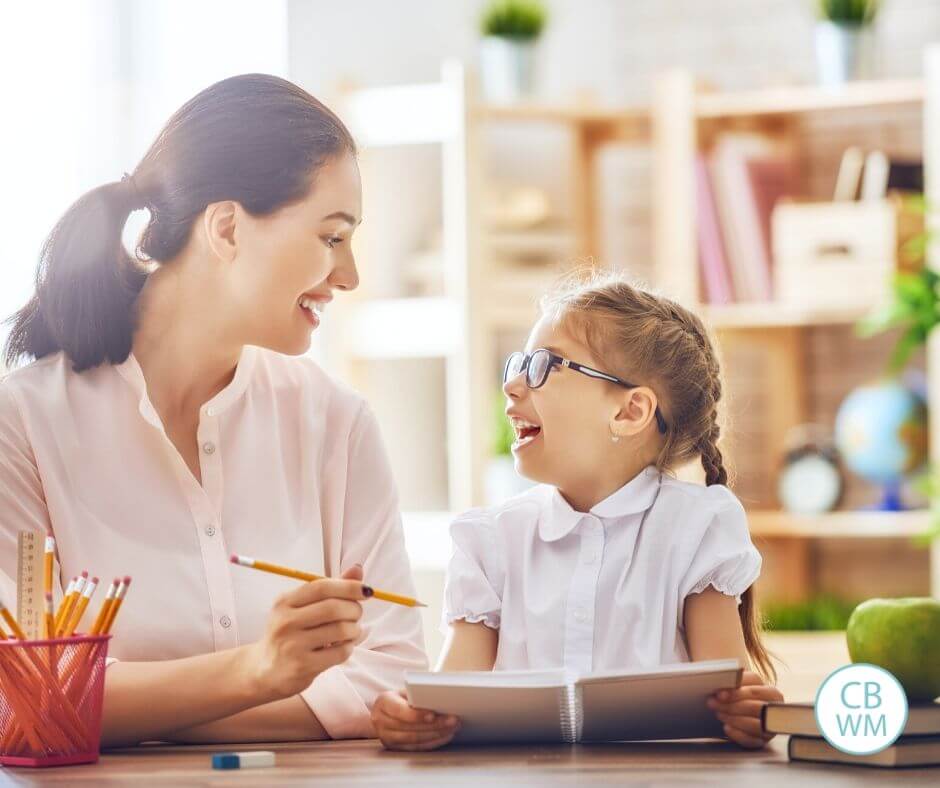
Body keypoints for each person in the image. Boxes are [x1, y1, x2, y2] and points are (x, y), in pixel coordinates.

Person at [0, 74, 426, 747]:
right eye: (332, 236)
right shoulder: (20, 426)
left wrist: (128, 712)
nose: (349, 276)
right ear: (227, 227)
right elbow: (16, 700)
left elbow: (391, 676)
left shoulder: (335, 421)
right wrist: (259, 672)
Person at [372, 272, 784, 751]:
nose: (512, 387)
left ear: (630, 412)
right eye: (518, 365)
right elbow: (445, 708)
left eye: (544, 366)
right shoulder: (489, 541)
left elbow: (727, 698)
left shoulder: (696, 529)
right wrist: (411, 719)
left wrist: (751, 714)